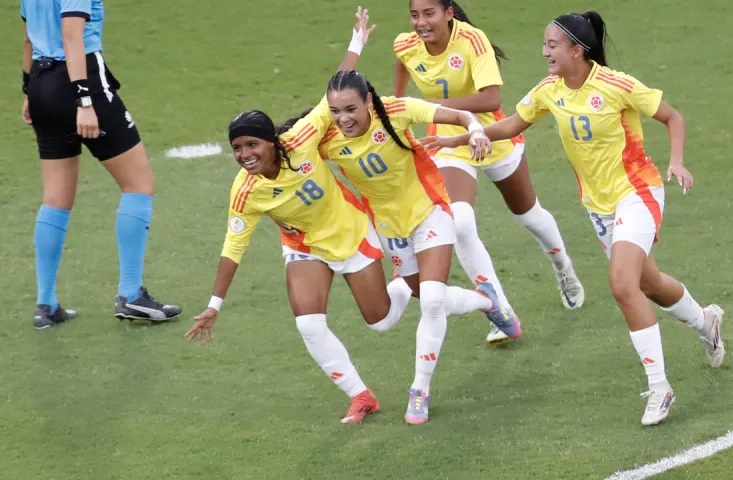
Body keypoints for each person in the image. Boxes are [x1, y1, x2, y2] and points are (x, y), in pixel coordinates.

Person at [185, 10, 512, 425]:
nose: (245, 155)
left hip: (361, 231)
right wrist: (215, 304)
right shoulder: (249, 187)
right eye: (237, 148)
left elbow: (337, 93)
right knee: (311, 325)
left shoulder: (311, 136)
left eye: (252, 144)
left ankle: (469, 312)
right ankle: (361, 397)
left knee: (394, 315)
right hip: (309, 244)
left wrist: (357, 44)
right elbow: (234, 246)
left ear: (273, 142)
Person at [421, 11, 725, 426]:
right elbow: (511, 123)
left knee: (621, 284)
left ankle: (659, 388)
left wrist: (676, 162)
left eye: (552, 45)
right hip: (597, 205)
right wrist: (459, 137)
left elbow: (672, 117)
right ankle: (706, 321)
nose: (544, 51)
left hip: (637, 192)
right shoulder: (549, 90)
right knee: (647, 283)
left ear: (577, 50)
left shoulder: (617, 85)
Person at [310, 68, 520, 424]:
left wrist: (475, 131)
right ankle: (487, 301)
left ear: (368, 102)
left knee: (434, 301)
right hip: (390, 228)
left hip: (429, 211)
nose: (343, 119)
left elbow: (461, 115)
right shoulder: (327, 140)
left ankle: (419, 390)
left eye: (350, 109)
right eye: (335, 111)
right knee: (423, 292)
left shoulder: (396, 110)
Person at [393, 0, 585, 345]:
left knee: (529, 215)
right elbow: (399, 91)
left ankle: (564, 268)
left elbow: (491, 100)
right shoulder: (405, 45)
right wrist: (398, 115)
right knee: (460, 221)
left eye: (429, 13)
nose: (421, 22)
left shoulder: (472, 40)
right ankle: (501, 310)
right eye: (414, 14)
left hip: (493, 137)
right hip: (449, 143)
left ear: (448, 13)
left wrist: (430, 109)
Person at [21, 0, 181, 328]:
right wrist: (84, 100)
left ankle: (46, 303)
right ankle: (131, 294)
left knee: (55, 198)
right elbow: (71, 35)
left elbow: (28, 38)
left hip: (40, 81)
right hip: (80, 80)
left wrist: (29, 92)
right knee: (139, 182)